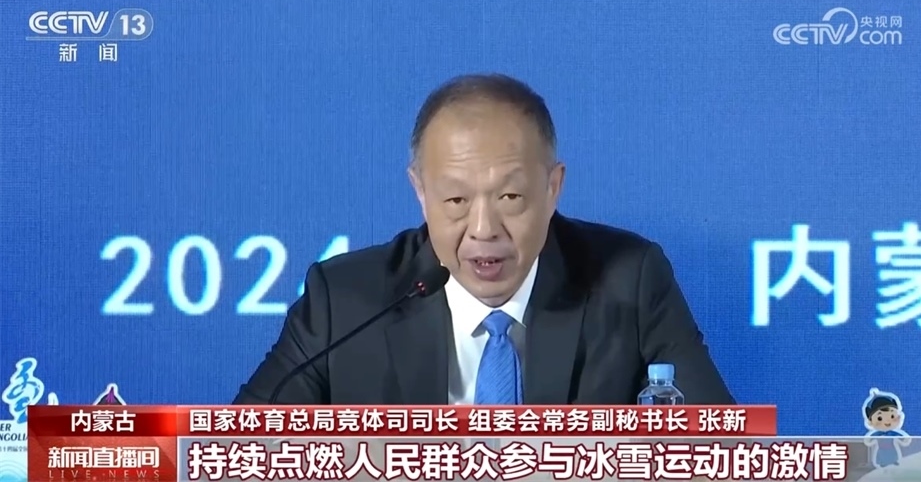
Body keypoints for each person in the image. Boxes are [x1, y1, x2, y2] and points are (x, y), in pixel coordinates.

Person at [234, 73, 735, 405]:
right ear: (421, 192)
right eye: (455, 200)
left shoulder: (630, 281)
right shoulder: (344, 302)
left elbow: (720, 452)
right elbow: (240, 452)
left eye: (510, 197)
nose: (483, 228)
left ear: (553, 187)